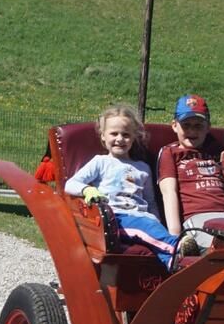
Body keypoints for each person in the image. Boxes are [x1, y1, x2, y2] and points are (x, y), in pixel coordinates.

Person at [63, 104, 184, 269]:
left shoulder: (143, 168)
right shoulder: (101, 162)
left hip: (142, 217)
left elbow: (150, 201)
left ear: (134, 137)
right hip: (116, 218)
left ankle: (173, 264)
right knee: (145, 229)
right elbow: (70, 184)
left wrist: (157, 220)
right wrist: (87, 190)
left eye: (126, 135)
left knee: (149, 229)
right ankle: (178, 249)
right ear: (103, 136)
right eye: (114, 134)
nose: (120, 139)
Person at [156, 93, 224, 252]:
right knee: (222, 248)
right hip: (197, 216)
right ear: (174, 125)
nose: (192, 131)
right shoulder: (170, 152)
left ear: (208, 127)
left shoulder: (216, 151)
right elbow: (168, 192)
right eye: (186, 125)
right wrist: (175, 236)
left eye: (198, 125)